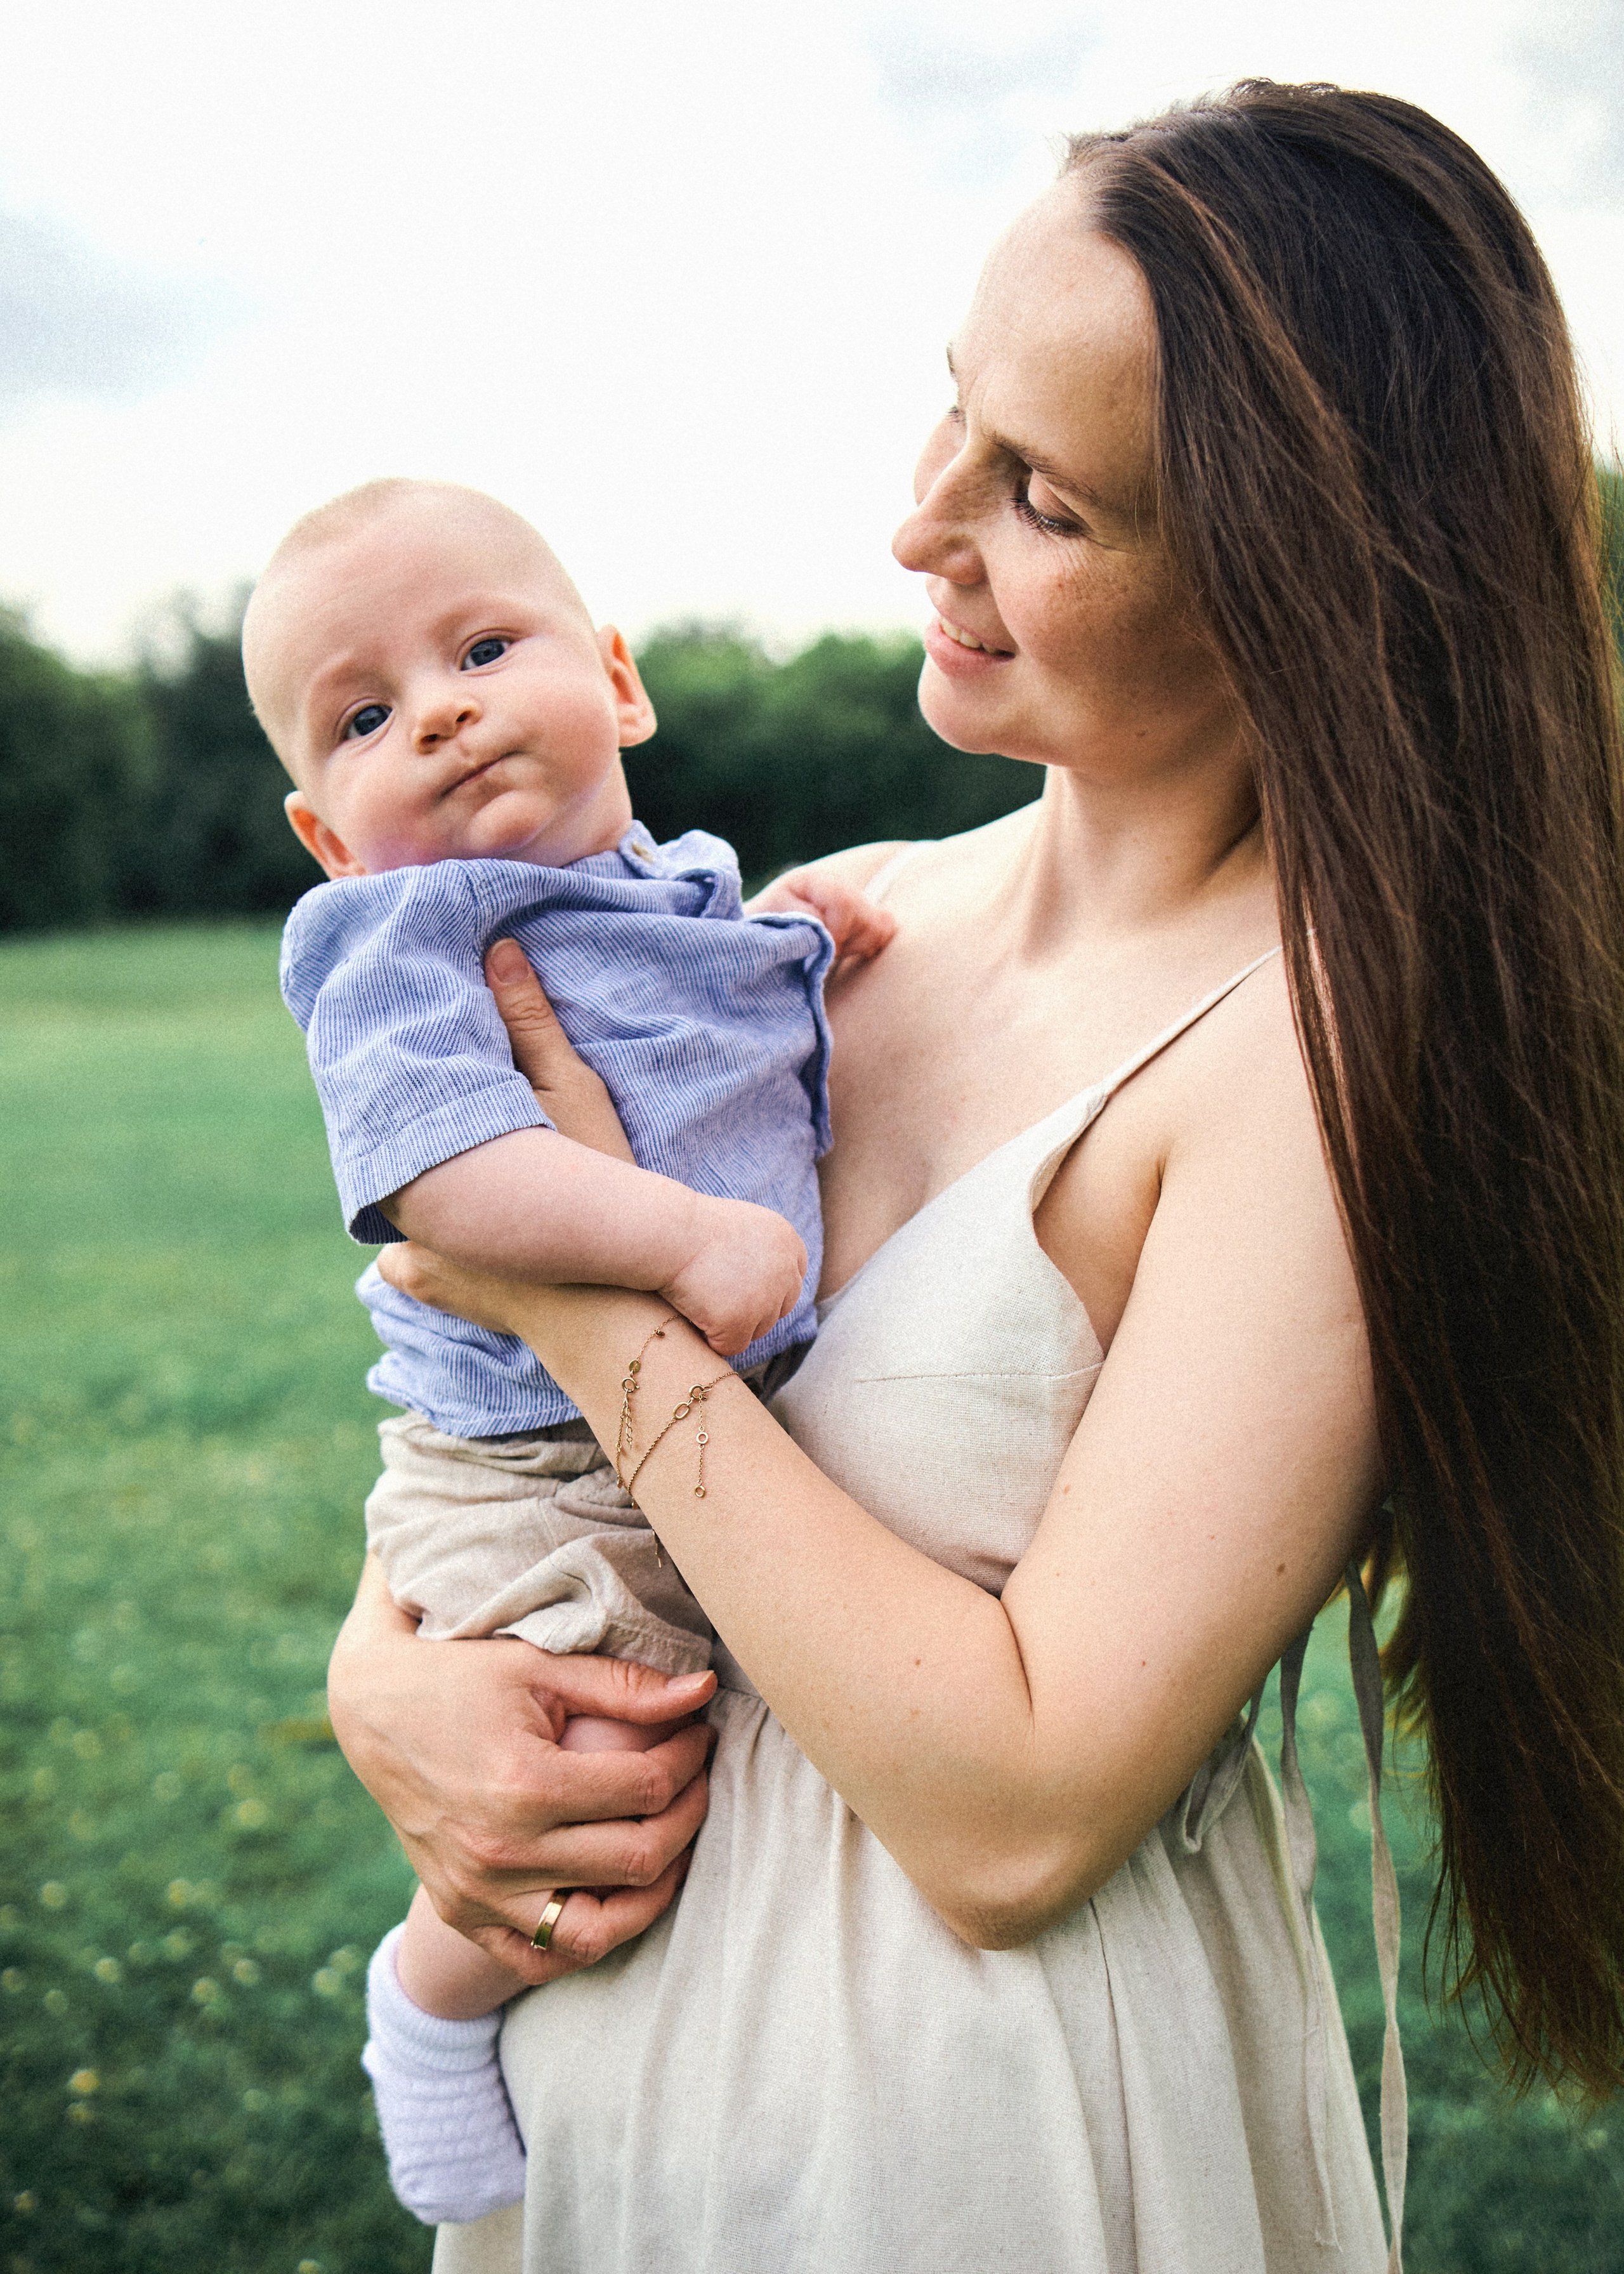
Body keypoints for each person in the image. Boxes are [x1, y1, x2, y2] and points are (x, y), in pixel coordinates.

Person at [326, 82, 1624, 2274]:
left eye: (1044, 497)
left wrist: (588, 1306)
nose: (924, 526)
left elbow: (1017, 1813)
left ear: (1299, 592)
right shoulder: (827, 924)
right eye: (957, 409)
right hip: (624, 2113)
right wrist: (393, 1685)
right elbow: (491, 1427)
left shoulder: (1318, 1072)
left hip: (985, 2136)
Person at [243, 481, 894, 2216]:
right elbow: (438, 1174)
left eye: (479, 648)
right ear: (328, 835)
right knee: (590, 1786)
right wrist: (678, 1239)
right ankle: (431, 2002)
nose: (438, 709)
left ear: (620, 684)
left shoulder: (686, 891)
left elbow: (732, 1027)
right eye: (367, 715)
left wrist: (818, 946)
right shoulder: (393, 935)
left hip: (673, 1447)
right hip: (528, 1471)